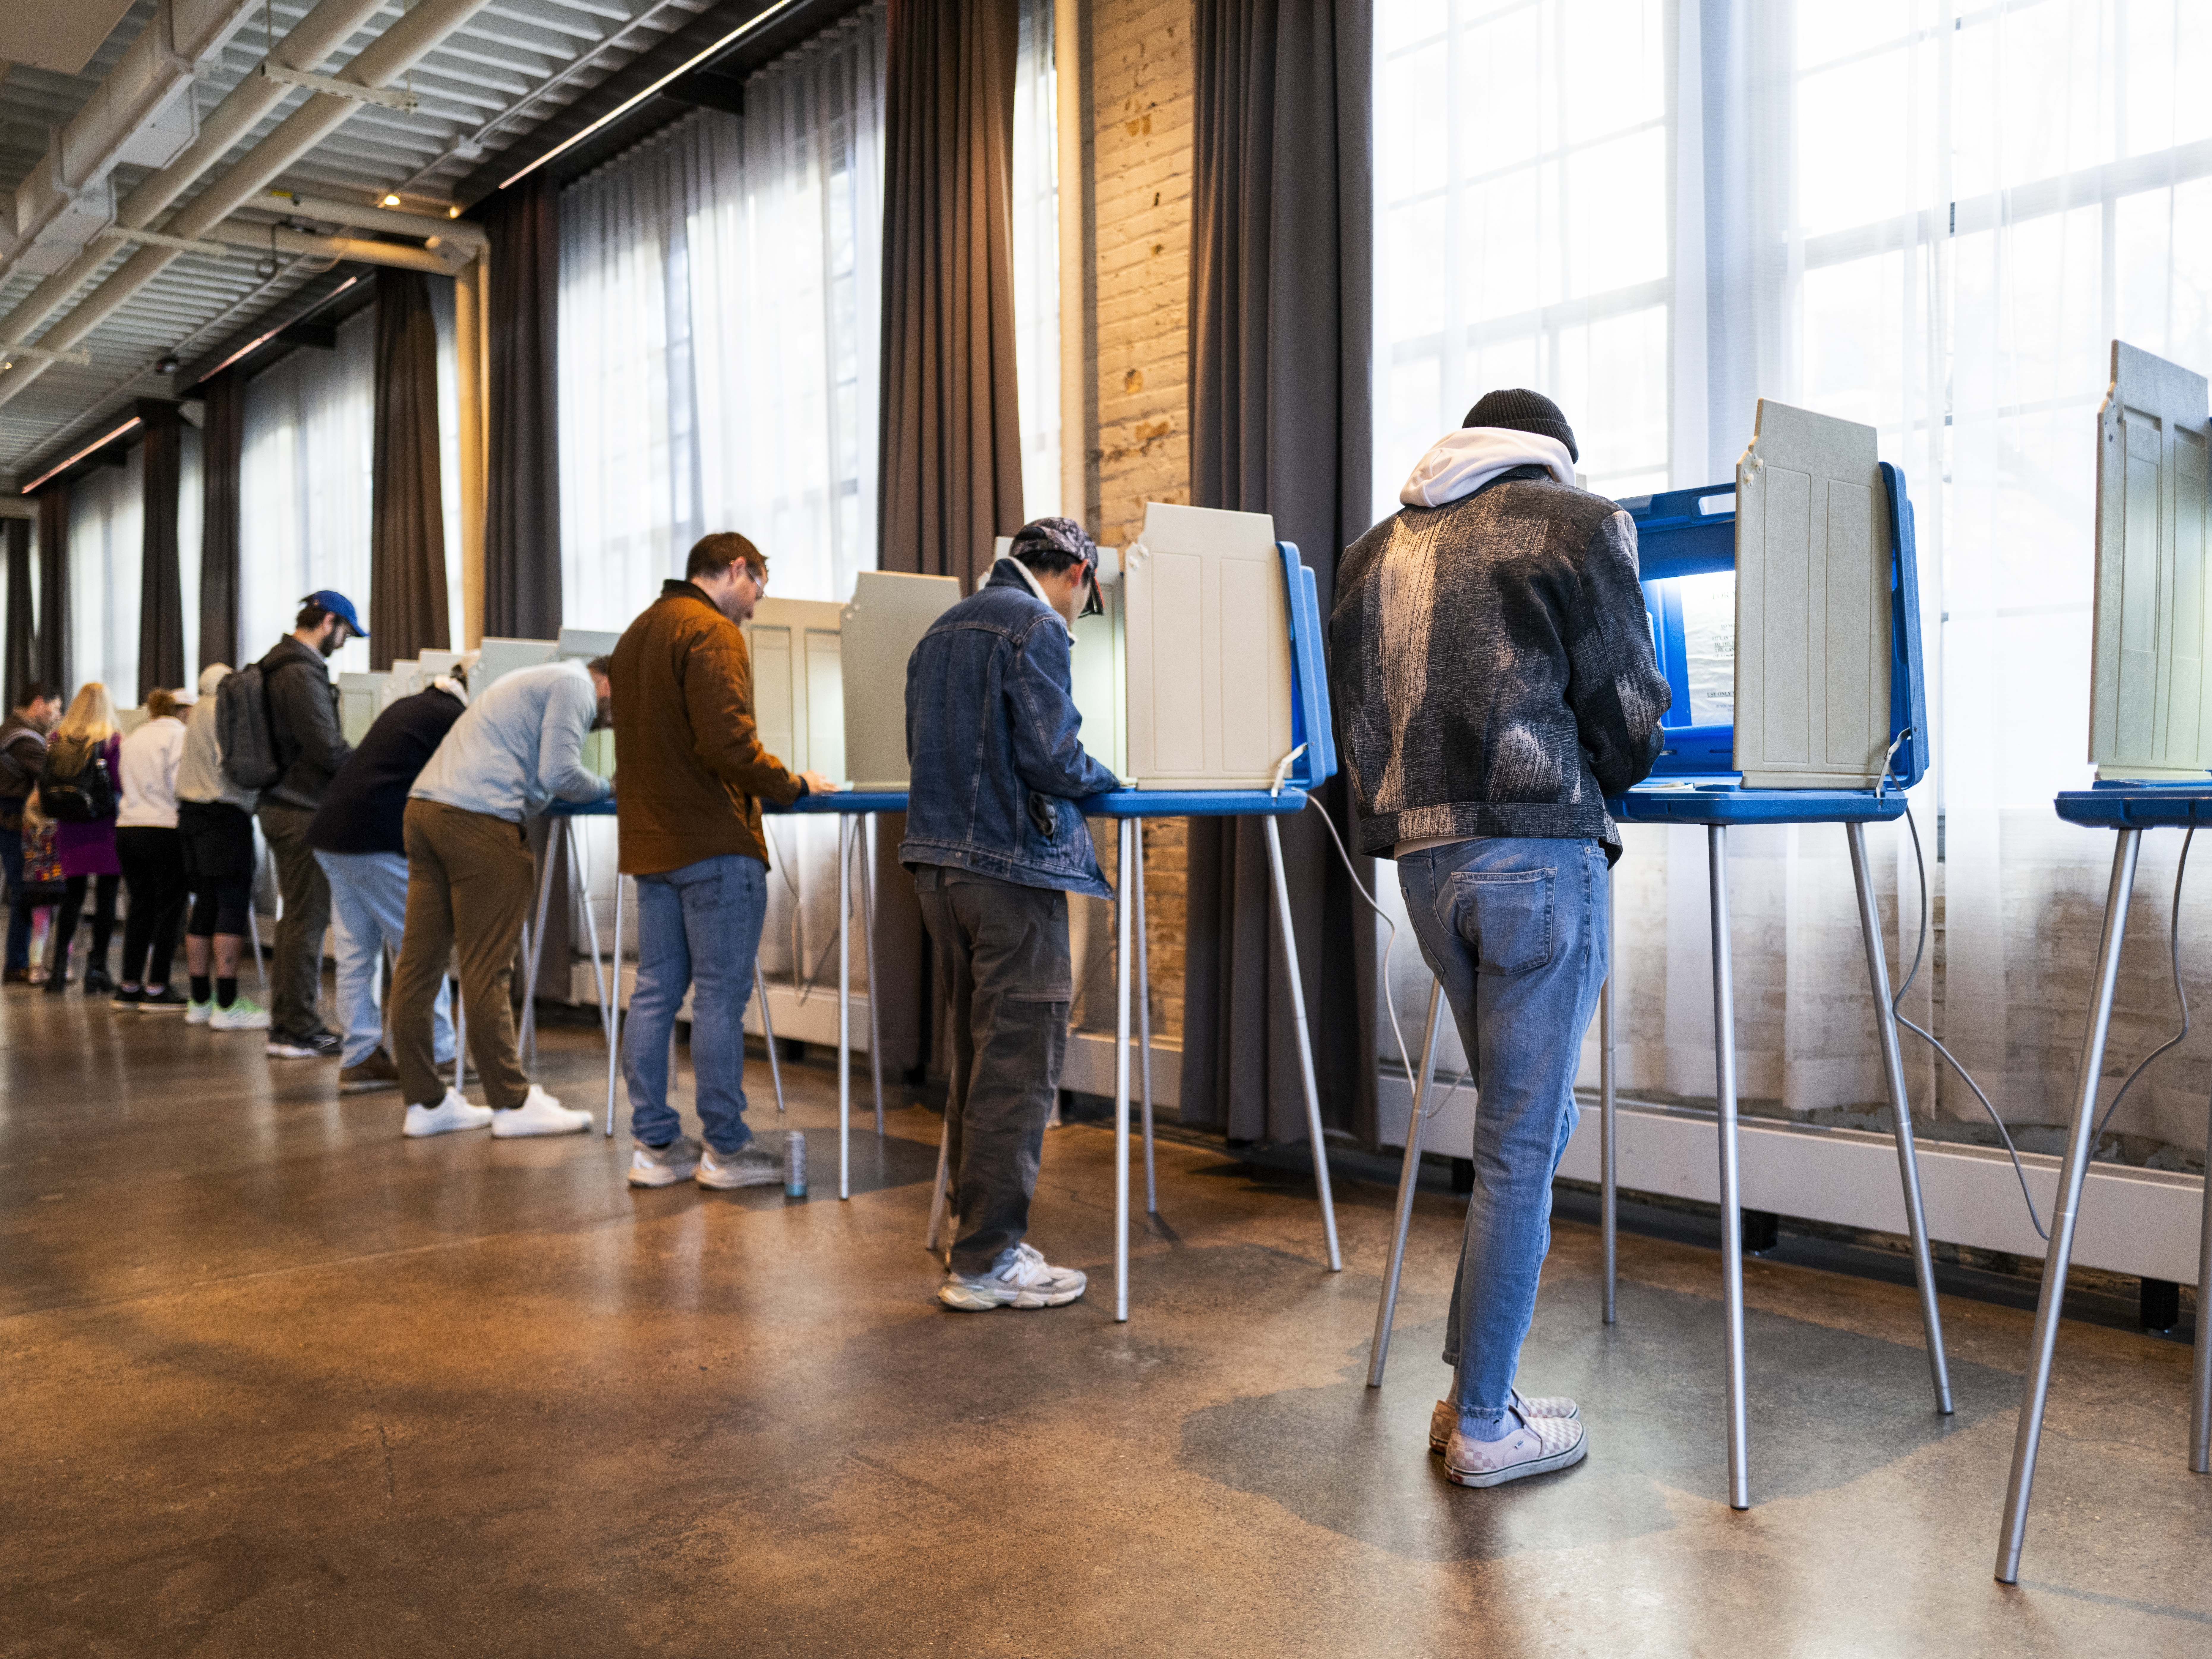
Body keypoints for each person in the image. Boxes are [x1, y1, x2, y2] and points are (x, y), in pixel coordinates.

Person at [1330, 388, 1671, 1489]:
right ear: (1554, 456)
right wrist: (1600, 777)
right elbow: (1625, 710)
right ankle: (1483, 1419)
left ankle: (1479, 1385)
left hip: (1425, 869)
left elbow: (1358, 729)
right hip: (1537, 857)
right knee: (1519, 1145)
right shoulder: (1581, 521)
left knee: (1523, 1126)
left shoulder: (1372, 550)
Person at [901, 516, 1120, 1311]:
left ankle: (977, 1240)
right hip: (1007, 874)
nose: (1076, 614)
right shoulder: (1034, 625)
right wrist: (1111, 776)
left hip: (936, 871)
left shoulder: (940, 629)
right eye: (1083, 599)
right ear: (1075, 573)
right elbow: (1051, 756)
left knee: (976, 1059)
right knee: (1018, 1069)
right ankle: (987, 1261)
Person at [611, 532, 839, 1191]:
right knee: (718, 999)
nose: (755, 607)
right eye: (758, 588)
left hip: (651, 847)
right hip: (713, 843)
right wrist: (791, 784)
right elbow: (727, 744)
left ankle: (655, 1145)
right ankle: (727, 1148)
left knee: (654, 993)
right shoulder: (709, 631)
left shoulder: (635, 635)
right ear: (737, 568)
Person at [389, 655, 614, 1139]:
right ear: (611, 681)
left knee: (419, 965)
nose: (609, 722)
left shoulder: (528, 676)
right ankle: (511, 1101)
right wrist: (612, 787)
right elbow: (561, 773)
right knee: (488, 967)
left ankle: (425, 1101)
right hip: (479, 818)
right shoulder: (576, 686)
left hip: (425, 809)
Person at [308, 667, 466, 1094]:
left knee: (356, 952)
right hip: (374, 838)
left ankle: (360, 1057)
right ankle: (442, 1052)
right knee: (422, 946)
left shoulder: (409, 707)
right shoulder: (454, 718)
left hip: (331, 834)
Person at [256, 591, 364, 1059]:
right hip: (301, 809)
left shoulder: (277, 666)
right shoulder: (300, 672)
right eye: (345, 633)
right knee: (306, 919)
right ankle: (298, 1028)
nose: (343, 644)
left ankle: (288, 1023)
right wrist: (374, 770)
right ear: (329, 622)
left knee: (296, 918)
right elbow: (326, 747)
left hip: (283, 804)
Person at [176, 664, 269, 1030]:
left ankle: (200, 999)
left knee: (204, 904)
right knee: (232, 902)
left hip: (190, 815)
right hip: (224, 814)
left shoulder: (196, 710)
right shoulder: (224, 710)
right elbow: (236, 765)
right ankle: (228, 1003)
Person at [112, 687, 191, 1010]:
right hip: (164, 827)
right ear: (184, 711)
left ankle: (129, 986)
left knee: (140, 907)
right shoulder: (180, 736)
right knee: (170, 909)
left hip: (128, 827)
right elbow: (179, 785)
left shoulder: (132, 738)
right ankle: (157, 987)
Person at [42, 683, 122, 996]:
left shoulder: (56, 739)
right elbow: (118, 782)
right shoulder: (111, 740)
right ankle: (97, 969)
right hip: (104, 828)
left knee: (72, 898)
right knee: (106, 899)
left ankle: (59, 970)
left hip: (70, 828)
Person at [0, 681, 63, 983]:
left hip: (12, 822)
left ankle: (20, 961)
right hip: (13, 824)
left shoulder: (15, 730)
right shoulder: (23, 738)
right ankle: (17, 963)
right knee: (25, 891)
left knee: (23, 891)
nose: (57, 714)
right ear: (40, 703)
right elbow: (53, 774)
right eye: (56, 707)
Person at [18, 789, 68, 982]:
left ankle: (35, 970)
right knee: (63, 928)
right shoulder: (59, 828)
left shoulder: (27, 829)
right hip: (59, 881)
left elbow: (25, 853)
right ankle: (65, 967)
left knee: (40, 929)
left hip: (34, 884)